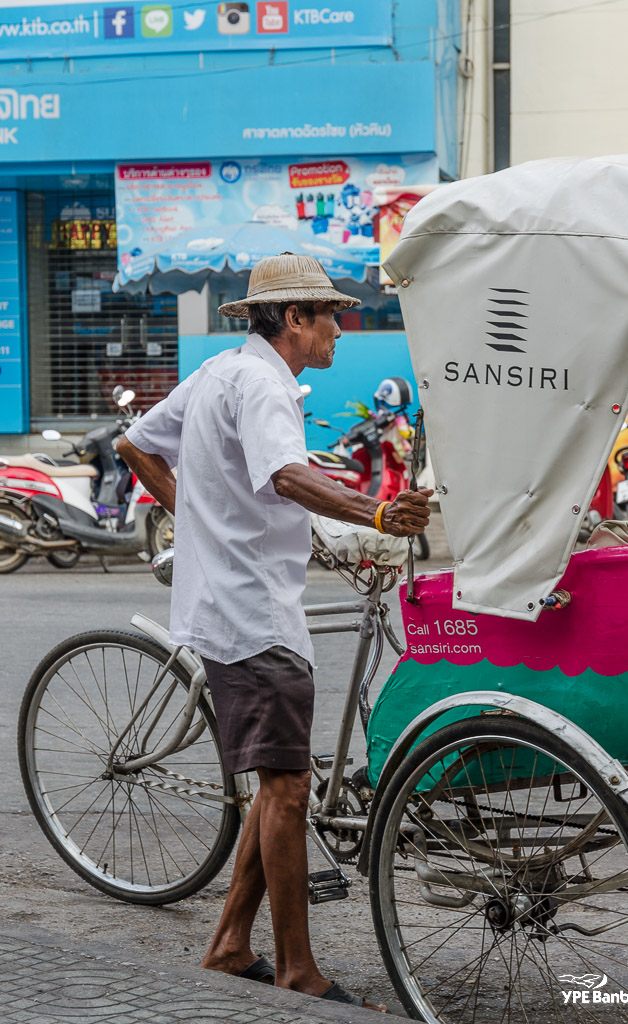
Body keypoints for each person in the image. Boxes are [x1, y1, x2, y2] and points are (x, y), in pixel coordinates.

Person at [117, 252, 432, 1011]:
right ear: (294, 318)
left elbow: (136, 444)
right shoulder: (260, 385)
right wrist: (376, 512)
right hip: (252, 615)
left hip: (237, 603)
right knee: (288, 789)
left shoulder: (221, 372)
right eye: (330, 316)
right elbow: (287, 475)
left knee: (278, 777)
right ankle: (297, 969)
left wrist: (200, 521)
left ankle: (230, 944)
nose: (340, 330)